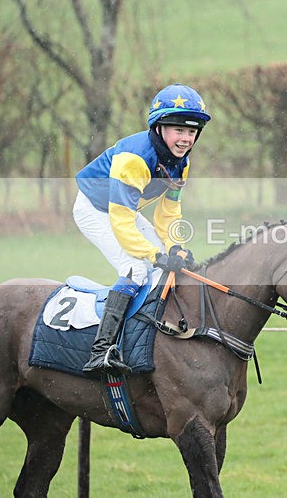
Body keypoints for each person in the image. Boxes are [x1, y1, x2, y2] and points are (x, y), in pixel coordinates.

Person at [73, 83, 210, 376]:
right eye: (179, 130)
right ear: (159, 127)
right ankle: (101, 350)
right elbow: (121, 221)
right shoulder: (134, 160)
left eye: (192, 131)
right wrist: (153, 254)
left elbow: (169, 212)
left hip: (123, 211)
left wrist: (174, 247)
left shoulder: (181, 163)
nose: (186, 139)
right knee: (136, 268)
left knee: (167, 266)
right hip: (94, 210)